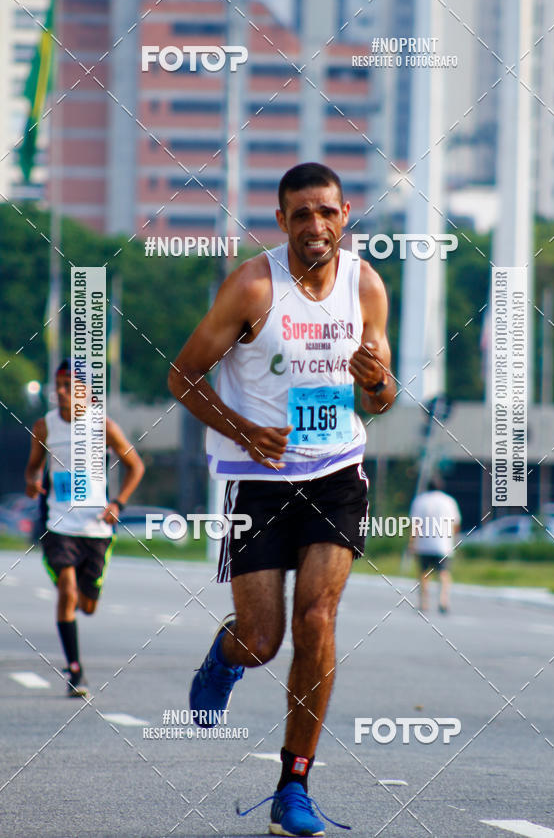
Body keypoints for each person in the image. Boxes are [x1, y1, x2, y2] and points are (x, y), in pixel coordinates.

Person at [168, 162, 396, 836]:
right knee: (264, 640)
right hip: (257, 478)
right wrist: (245, 430)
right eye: (302, 214)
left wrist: (376, 380)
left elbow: (379, 402)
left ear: (345, 215)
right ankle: (226, 655)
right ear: (282, 222)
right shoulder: (252, 286)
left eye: (327, 212)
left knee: (318, 621)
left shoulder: (367, 287)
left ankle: (292, 785)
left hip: (335, 472)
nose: (316, 226)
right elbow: (182, 376)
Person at [24, 358, 145, 697]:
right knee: (67, 590)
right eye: (58, 385)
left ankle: (79, 599)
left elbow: (136, 466)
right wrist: (33, 482)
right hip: (58, 523)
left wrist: (118, 502)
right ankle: (75, 671)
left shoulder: (103, 426)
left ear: (86, 393)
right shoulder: (45, 427)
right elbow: (32, 469)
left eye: (68, 386)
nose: (60, 392)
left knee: (87, 606)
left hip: (95, 529)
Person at [408, 480, 461, 614]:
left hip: (424, 543)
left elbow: (415, 524)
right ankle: (443, 601)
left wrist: (412, 542)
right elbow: (456, 524)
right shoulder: (449, 501)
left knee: (424, 573)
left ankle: (424, 603)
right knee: (444, 572)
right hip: (443, 543)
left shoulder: (420, 501)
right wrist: (454, 540)